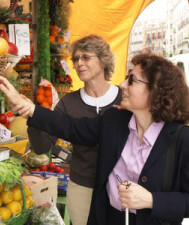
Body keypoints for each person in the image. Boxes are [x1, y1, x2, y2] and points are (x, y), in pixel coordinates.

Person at [0, 51, 189, 225]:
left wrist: (151, 200)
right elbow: (70, 127)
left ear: (155, 92)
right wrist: (29, 108)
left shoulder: (186, 142)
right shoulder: (114, 121)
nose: (122, 85)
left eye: (132, 80)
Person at [27, 34, 121, 225]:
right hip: (82, 186)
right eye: (76, 59)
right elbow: (42, 146)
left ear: (103, 61)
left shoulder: (123, 99)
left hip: (120, 186)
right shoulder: (68, 102)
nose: (79, 63)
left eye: (86, 57)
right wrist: (34, 117)